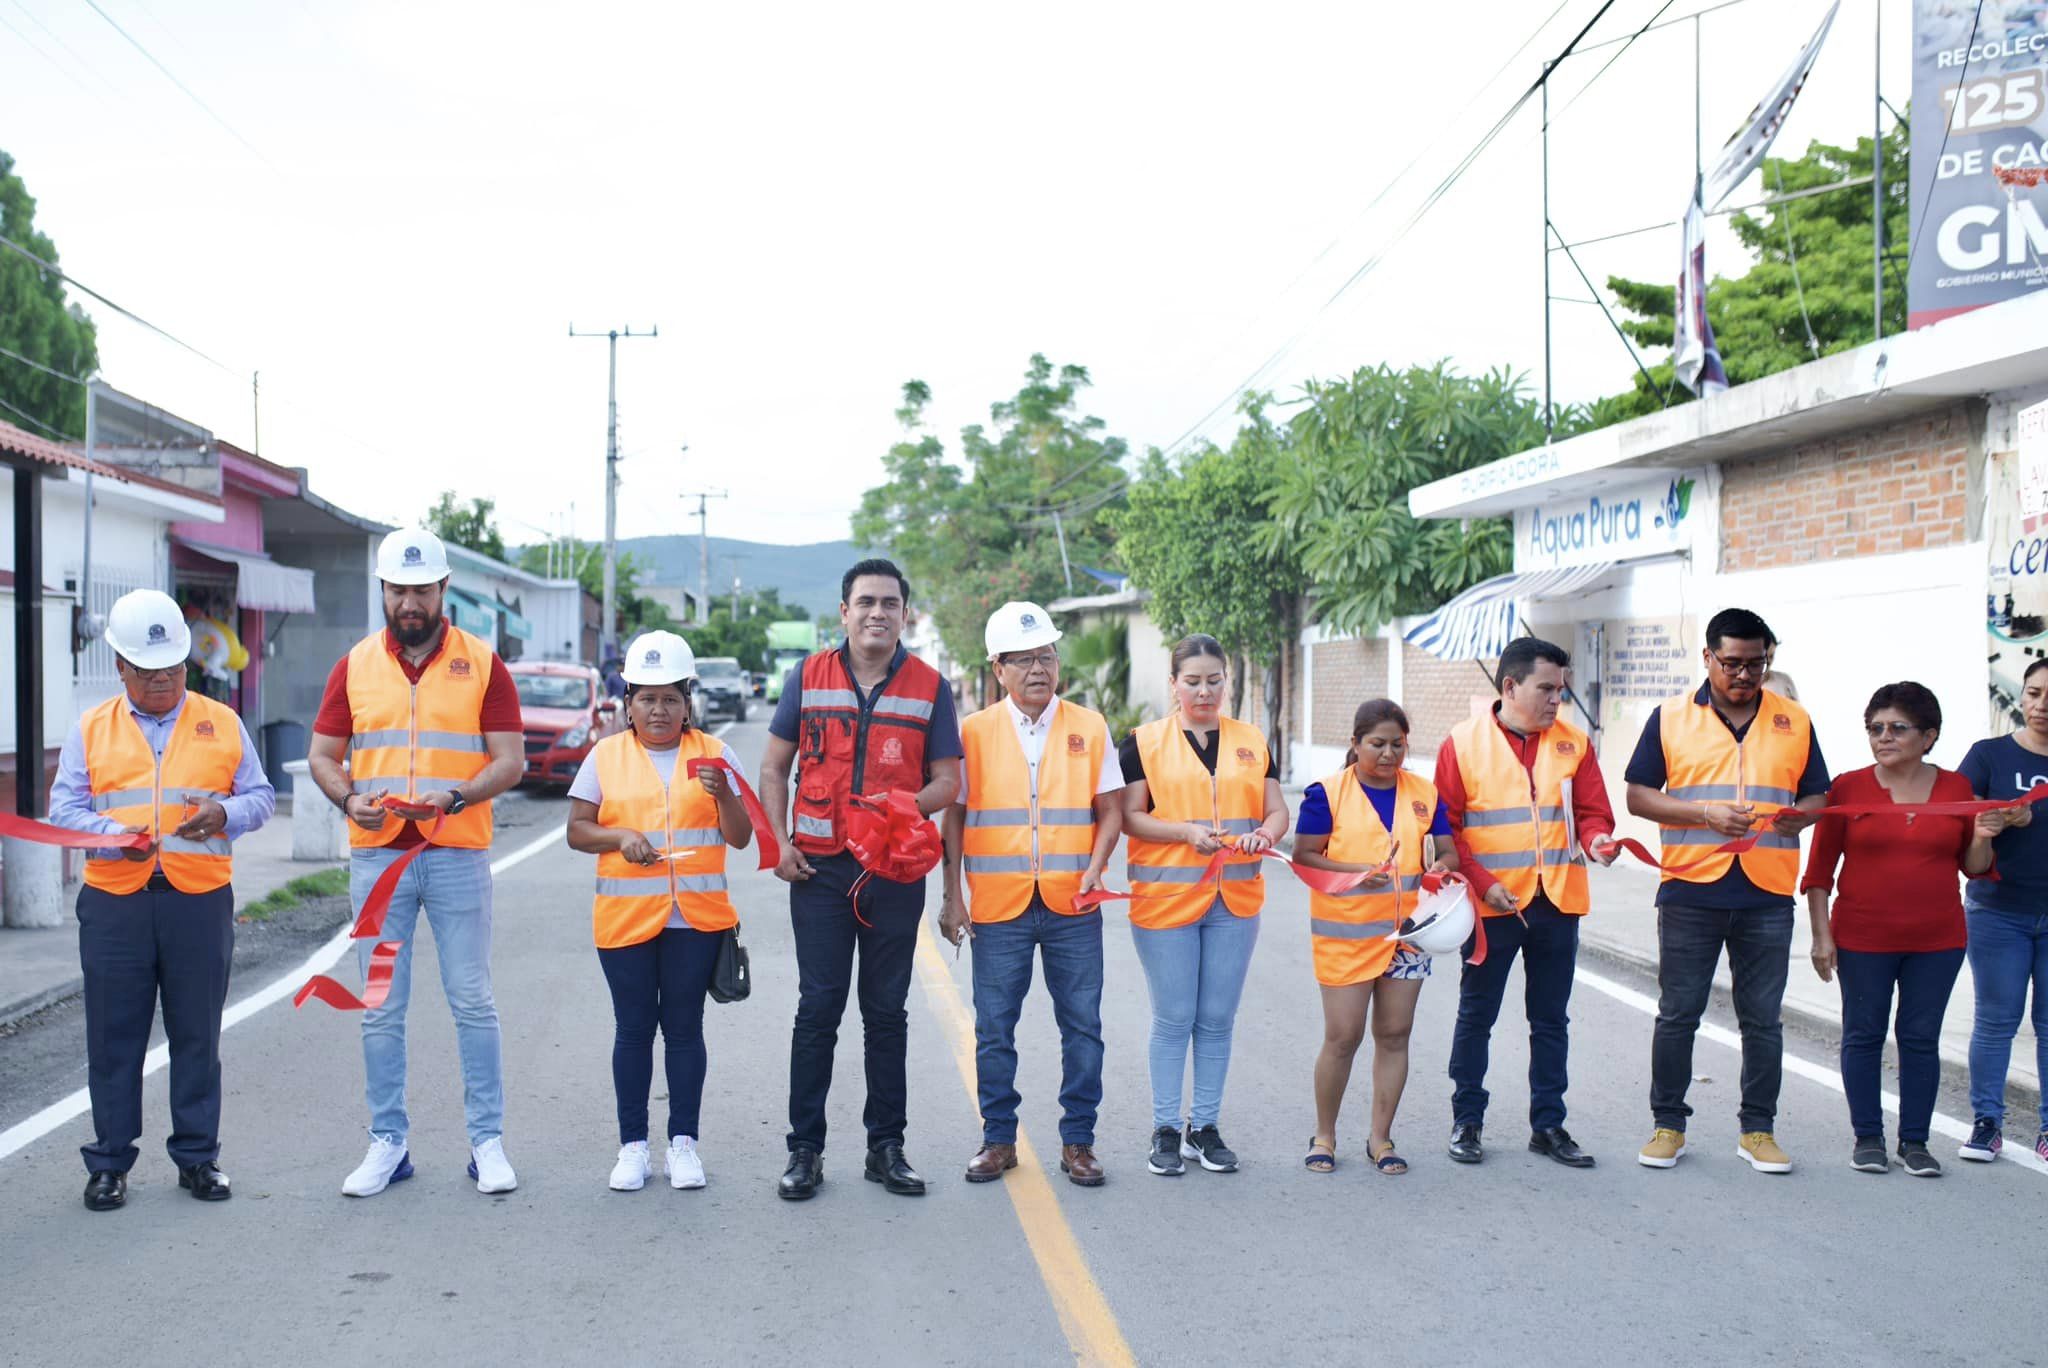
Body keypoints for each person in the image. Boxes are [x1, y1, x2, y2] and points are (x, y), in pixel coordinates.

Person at [305, 528, 526, 1197]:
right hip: (378, 860)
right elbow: (323, 756)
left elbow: (510, 759)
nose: (409, 602)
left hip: (456, 852)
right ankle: (387, 1144)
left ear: (442, 591)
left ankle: (486, 1143)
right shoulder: (354, 665)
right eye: (397, 590)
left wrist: (456, 795)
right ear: (382, 591)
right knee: (379, 1007)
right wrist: (349, 799)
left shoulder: (484, 663)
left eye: (421, 590)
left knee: (472, 1000)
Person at [47, 589, 275, 1211]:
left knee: (196, 1032)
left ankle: (199, 1159)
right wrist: (111, 837)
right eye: (147, 672)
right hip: (115, 904)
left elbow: (260, 796)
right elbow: (63, 810)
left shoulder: (220, 721)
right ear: (119, 665)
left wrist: (224, 812)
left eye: (172, 669)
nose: (162, 682)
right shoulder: (91, 729)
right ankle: (109, 1164)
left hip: (197, 900)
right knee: (113, 1036)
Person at [759, 558, 963, 1200]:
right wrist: (780, 844)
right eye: (866, 602)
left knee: (885, 1013)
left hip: (894, 871)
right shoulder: (807, 676)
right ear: (844, 611)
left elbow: (948, 781)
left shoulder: (931, 686)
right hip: (818, 871)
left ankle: (886, 1147)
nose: (878, 613)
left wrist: (903, 809)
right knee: (817, 1010)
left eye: (890, 603)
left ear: (906, 614)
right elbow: (772, 769)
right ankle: (804, 1151)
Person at [1624, 608, 1828, 1173]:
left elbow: (1818, 796)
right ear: (1708, 658)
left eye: (1756, 663)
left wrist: (1801, 818)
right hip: (1691, 889)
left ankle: (1758, 1130)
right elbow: (1638, 796)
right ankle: (1668, 1125)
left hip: (1767, 893)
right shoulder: (1669, 718)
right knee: (1678, 1014)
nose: (1744, 674)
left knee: (1762, 1019)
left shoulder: (1795, 719)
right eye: (1732, 663)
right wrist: (1703, 812)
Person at [939, 602, 1123, 1187]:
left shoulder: (1089, 727)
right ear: (998, 668)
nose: (1038, 668)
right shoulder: (971, 732)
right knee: (994, 1027)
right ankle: (998, 1140)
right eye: (1023, 659)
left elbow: (1111, 810)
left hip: (1073, 904)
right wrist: (952, 896)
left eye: (1045, 655)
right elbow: (954, 818)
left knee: (1083, 1027)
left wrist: (1097, 866)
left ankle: (1079, 1142)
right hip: (999, 908)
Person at [566, 631, 753, 1192]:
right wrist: (619, 836)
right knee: (632, 1029)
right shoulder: (605, 755)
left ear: (687, 701)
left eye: (670, 697)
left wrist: (725, 795)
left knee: (684, 1029)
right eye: (646, 697)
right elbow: (577, 831)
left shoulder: (717, 755)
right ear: (628, 702)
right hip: (625, 921)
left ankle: (683, 1146)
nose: (658, 709)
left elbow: (741, 838)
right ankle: (632, 1148)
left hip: (694, 919)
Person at [1436, 636, 1616, 1169]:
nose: (1557, 700)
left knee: (1551, 1020)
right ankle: (1467, 1120)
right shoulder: (1462, 743)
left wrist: (1598, 839)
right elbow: (1447, 830)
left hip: (1557, 901)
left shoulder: (1574, 743)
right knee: (1477, 1015)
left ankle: (1549, 1124)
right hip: (1493, 902)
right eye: (1547, 689)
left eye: (1561, 689)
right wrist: (1479, 880)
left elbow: (1592, 811)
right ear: (1510, 687)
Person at [1803, 682, 1996, 1177]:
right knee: (1863, 1034)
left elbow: (1974, 867)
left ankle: (1915, 1141)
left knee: (1919, 1037)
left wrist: (1982, 833)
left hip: (1938, 939)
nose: (1883, 737)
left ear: (1929, 735)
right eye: (1875, 728)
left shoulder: (1956, 789)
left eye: (1897, 728)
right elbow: (1821, 869)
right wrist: (1821, 936)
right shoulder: (1847, 787)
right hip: (1863, 937)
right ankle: (1868, 1137)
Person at [1119, 634, 1289, 1176]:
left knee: (1216, 1020)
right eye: (1192, 681)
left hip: (1234, 899)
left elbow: (1277, 809)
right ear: (1173, 684)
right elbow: (1130, 816)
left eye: (1214, 680)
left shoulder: (1252, 739)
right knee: (1174, 1018)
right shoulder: (1142, 742)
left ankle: (1205, 1128)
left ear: (1226, 681)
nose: (1204, 691)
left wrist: (1267, 832)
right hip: (1168, 897)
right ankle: (1166, 1130)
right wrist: (1184, 833)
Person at [1293, 699, 1455, 1175]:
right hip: (1346, 936)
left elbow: (1448, 852)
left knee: (1395, 1035)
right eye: (1377, 744)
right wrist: (1356, 874)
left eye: (1397, 744)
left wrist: (1440, 870)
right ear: (1356, 744)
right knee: (1343, 1037)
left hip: (1407, 936)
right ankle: (1324, 1135)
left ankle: (1381, 1139)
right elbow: (1305, 856)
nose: (1388, 754)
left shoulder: (1424, 793)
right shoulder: (1327, 794)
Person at [1955, 658, 2048, 1164]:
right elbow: (1963, 836)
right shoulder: (1988, 755)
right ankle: (1986, 1123)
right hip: (1998, 912)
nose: (2041, 705)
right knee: (1995, 1021)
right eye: (2033, 693)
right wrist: (1994, 823)